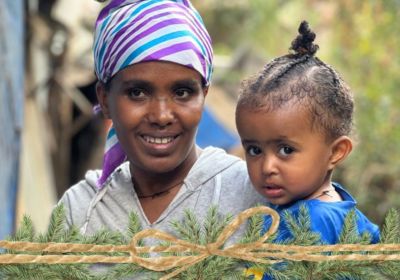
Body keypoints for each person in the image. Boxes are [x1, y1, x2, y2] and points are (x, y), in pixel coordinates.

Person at [58, 0, 266, 245]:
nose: (161, 116)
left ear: (204, 95)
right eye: (137, 92)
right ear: (104, 99)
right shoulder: (82, 210)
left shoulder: (251, 195)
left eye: (182, 92)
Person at [235, 21, 380, 247]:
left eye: (286, 150)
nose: (267, 167)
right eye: (254, 150)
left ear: (336, 152)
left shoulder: (305, 225)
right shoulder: (346, 214)